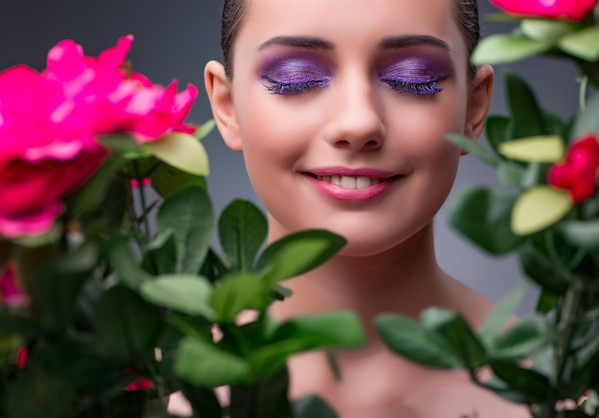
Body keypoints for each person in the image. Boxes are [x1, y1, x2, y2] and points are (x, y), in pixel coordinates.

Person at [201, 0, 531, 416]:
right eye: (296, 78)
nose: (358, 124)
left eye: (413, 78)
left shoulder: (560, 392)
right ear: (227, 108)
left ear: (475, 106)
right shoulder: (145, 393)